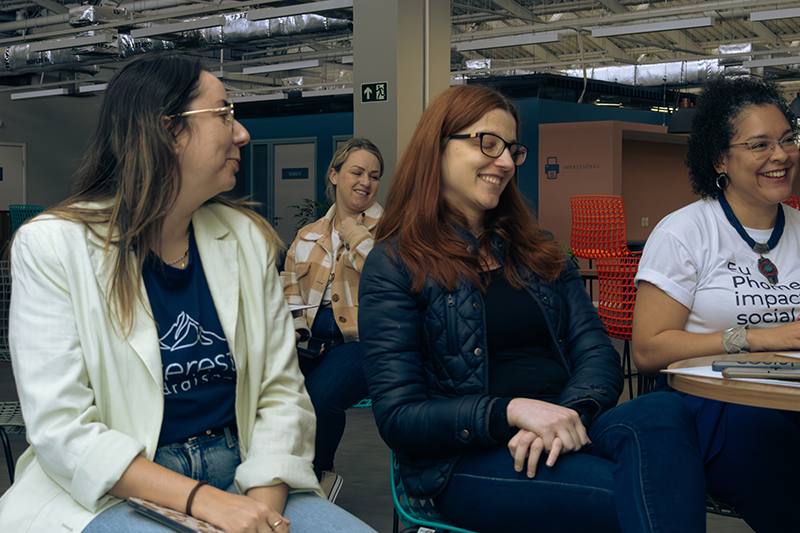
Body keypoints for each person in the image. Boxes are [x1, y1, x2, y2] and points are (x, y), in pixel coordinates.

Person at [0, 53, 376, 533]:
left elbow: (281, 394)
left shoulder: (245, 238)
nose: (241, 133)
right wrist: (206, 503)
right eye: (223, 114)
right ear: (168, 130)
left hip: (245, 473)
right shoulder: (52, 245)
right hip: (121, 489)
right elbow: (62, 428)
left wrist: (260, 509)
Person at [359, 84, 706, 533]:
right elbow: (399, 417)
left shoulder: (538, 251)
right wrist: (513, 411)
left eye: (511, 149)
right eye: (487, 143)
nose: (504, 162)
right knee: (639, 496)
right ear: (437, 147)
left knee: (664, 412)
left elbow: (597, 353)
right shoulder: (394, 262)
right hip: (465, 460)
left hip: (567, 424)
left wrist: (567, 414)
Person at [632, 76, 800, 532]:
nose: (781, 155)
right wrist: (758, 338)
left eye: (788, 139)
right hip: (715, 409)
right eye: (760, 144)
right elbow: (647, 351)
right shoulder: (684, 233)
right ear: (720, 159)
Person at [282, 138, 383, 501]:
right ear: (334, 175)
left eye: (374, 176)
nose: (365, 182)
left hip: (363, 342)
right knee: (260, 383)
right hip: (309, 338)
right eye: (356, 172)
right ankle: (273, 472)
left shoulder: (390, 230)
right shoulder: (306, 235)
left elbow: (384, 277)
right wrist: (293, 330)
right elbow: (289, 288)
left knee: (319, 398)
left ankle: (319, 473)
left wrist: (355, 233)